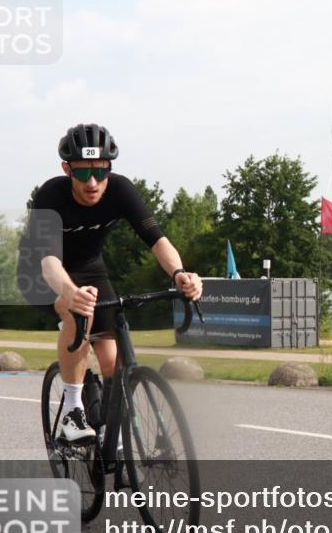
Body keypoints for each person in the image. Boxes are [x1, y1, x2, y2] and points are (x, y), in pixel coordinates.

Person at [20, 123, 202, 443]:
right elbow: (49, 263)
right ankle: (73, 411)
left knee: (111, 357)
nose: (92, 182)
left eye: (100, 171)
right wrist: (71, 293)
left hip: (91, 269)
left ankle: (108, 425)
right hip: (41, 272)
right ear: (67, 169)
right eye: (82, 173)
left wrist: (179, 274)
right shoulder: (50, 196)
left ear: (109, 169)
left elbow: (158, 241)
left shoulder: (121, 190)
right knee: (77, 312)